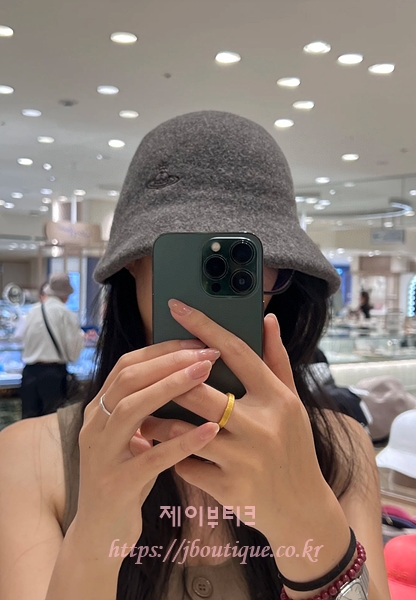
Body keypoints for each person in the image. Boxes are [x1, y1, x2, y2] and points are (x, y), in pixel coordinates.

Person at [0, 112, 390, 600]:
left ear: (281, 275)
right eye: (189, 254)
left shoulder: (342, 446)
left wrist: (309, 527)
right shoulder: (30, 457)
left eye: (249, 261)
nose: (217, 298)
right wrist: (94, 539)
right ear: (133, 263)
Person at [19, 272, 84, 418]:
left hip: (29, 373)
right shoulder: (66, 314)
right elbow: (73, 353)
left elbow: (20, 338)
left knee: (28, 422)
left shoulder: (32, 311)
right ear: (66, 295)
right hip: (53, 374)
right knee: (51, 421)